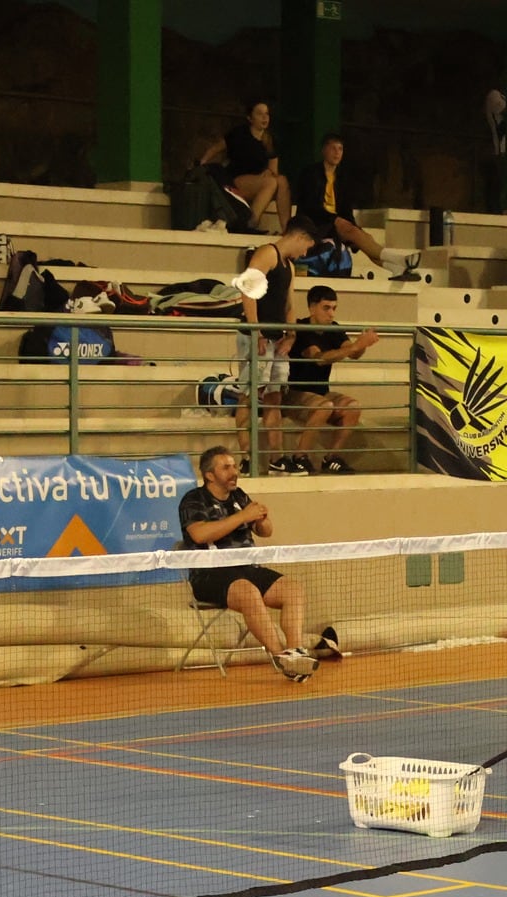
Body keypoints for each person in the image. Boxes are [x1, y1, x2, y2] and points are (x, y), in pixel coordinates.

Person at [179, 445, 341, 682]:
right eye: (226, 468)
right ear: (210, 475)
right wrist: (242, 517)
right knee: (248, 591)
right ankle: (279, 657)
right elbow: (200, 535)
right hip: (210, 575)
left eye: (234, 466)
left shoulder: (239, 496)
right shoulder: (193, 500)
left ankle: (294, 653)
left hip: (247, 569)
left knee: (292, 589)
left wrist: (262, 520)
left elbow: (266, 531)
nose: (234, 472)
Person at [233, 216, 319, 463]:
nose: (304, 253)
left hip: (276, 338)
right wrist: (256, 330)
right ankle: (247, 457)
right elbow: (248, 290)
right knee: (250, 395)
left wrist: (291, 335)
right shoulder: (267, 253)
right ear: (300, 237)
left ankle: (276, 458)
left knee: (274, 398)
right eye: (306, 246)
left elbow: (289, 305)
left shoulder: (289, 266)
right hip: (258, 336)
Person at [291, 133, 420, 281]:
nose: (337, 152)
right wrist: (337, 221)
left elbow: (346, 210)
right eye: (333, 148)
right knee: (349, 228)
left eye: (340, 149)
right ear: (324, 150)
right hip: (314, 223)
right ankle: (400, 260)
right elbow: (309, 206)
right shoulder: (310, 173)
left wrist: (353, 229)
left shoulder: (343, 178)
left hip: (335, 225)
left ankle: (395, 268)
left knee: (365, 237)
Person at [278, 284, 377, 475]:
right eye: (326, 308)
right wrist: (356, 346)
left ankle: (331, 458)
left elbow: (354, 353)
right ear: (312, 307)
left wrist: (362, 344)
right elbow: (320, 358)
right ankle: (299, 457)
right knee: (324, 406)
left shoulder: (333, 329)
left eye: (334, 308)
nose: (331, 314)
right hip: (294, 393)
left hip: (321, 392)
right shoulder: (301, 329)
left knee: (352, 407)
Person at [195, 99, 292, 234]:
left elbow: (274, 170)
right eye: (260, 114)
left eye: (267, 114)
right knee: (270, 182)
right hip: (236, 181)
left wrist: (268, 173)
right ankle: (251, 222)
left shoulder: (270, 140)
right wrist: (202, 163)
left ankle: (287, 229)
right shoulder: (239, 134)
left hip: (261, 182)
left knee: (281, 181)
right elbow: (216, 148)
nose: (265, 117)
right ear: (250, 118)